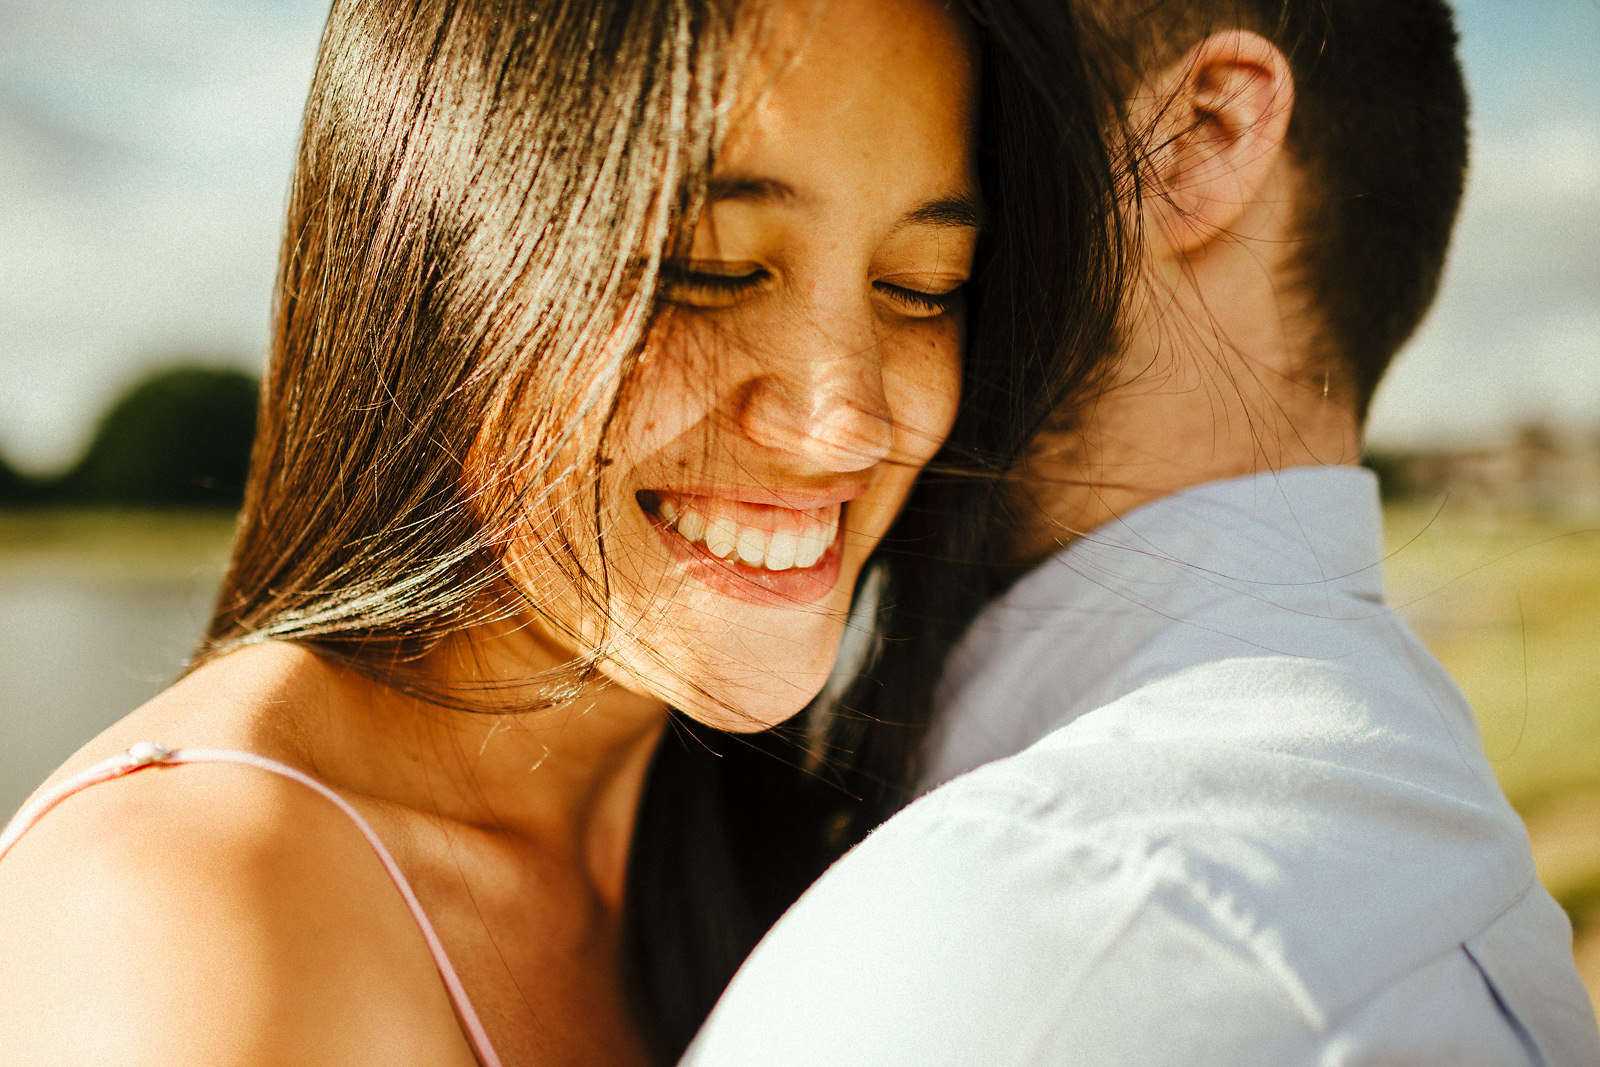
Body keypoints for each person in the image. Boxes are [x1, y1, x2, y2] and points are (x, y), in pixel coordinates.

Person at [0, 0, 1126, 1062]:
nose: (843, 423)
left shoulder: (776, 850)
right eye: (712, 271)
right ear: (435, 270)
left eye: (923, 286)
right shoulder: (188, 911)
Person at [684, 1, 1600, 1063]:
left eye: (984, 70)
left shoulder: (1024, 935)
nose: (891, 122)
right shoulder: (1413, 828)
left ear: (1195, 140)